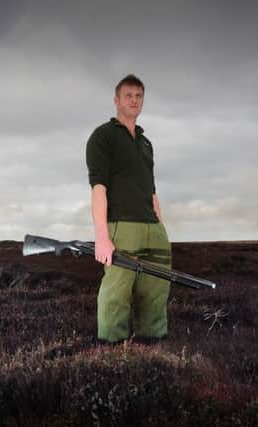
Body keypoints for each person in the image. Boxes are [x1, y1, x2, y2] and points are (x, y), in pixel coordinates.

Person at [85, 74, 171, 343]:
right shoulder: (103, 136)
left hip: (152, 227)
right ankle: (111, 353)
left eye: (139, 96)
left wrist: (160, 225)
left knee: (156, 290)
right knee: (116, 294)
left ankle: (152, 349)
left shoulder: (146, 143)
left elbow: (151, 189)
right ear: (116, 100)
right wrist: (101, 235)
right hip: (122, 226)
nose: (134, 100)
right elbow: (99, 187)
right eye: (128, 96)